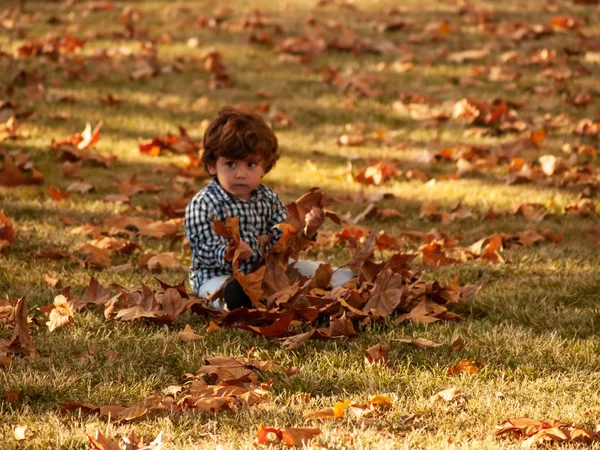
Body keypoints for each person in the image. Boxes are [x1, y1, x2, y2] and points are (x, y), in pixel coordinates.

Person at [185, 106, 352, 311]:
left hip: (269, 272)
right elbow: (201, 249)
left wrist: (308, 229)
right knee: (219, 290)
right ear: (212, 166)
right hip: (218, 274)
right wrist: (230, 252)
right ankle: (237, 300)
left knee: (309, 268)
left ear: (264, 167)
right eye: (230, 164)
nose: (241, 174)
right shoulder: (204, 203)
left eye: (251, 164)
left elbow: (284, 243)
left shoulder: (268, 198)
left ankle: (350, 280)